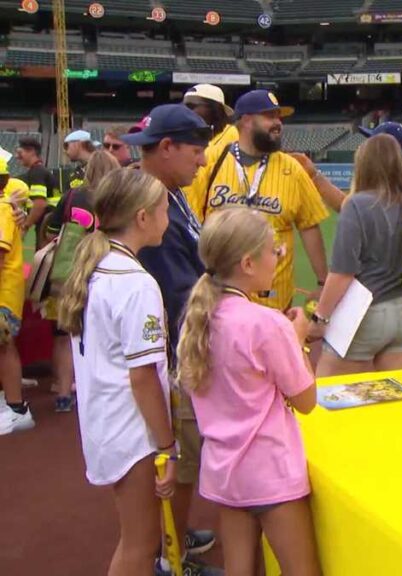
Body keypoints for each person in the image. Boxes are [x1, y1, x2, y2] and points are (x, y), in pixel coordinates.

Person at [177, 208, 321, 576]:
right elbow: (306, 400)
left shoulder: (199, 319)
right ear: (247, 263)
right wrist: (298, 341)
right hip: (270, 472)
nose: (279, 257)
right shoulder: (266, 323)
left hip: (225, 473)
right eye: (274, 250)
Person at [55, 168, 177, 575]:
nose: (168, 218)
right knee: (141, 545)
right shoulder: (136, 283)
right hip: (132, 430)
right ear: (142, 217)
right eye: (164, 209)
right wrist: (167, 445)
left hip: (106, 421)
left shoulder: (96, 265)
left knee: (136, 540)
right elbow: (143, 376)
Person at [119, 104, 222, 576]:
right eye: (196, 150)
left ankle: (173, 537)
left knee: (185, 461)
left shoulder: (171, 194)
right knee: (179, 462)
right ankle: (170, 557)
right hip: (174, 353)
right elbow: (179, 294)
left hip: (179, 347)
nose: (203, 160)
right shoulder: (151, 204)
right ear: (166, 147)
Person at [188, 90, 329, 312]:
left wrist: (322, 282)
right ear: (246, 120)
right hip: (220, 299)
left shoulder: (292, 168)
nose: (278, 123)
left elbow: (309, 226)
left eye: (279, 117)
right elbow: (192, 224)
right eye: (270, 116)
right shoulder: (211, 161)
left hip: (274, 300)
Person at [312, 134, 402, 376]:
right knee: (394, 397)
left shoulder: (357, 204)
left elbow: (343, 272)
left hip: (364, 313)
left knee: (329, 393)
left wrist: (320, 317)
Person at [41, 150, 121, 413]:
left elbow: (51, 232)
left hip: (70, 273)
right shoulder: (119, 198)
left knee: (64, 335)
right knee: (106, 336)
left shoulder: (72, 196)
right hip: (107, 271)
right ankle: (101, 395)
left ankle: (63, 394)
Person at [0, 176, 30, 435]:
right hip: (6, 292)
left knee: (4, 346)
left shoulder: (2, 209)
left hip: (3, 294)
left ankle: (16, 408)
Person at [15, 137, 60, 248]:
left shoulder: (37, 172)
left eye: (20, 153)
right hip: (51, 223)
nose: (17, 157)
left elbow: (40, 204)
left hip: (46, 223)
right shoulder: (41, 171)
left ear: (31, 151)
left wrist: (25, 226)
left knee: (42, 256)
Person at [182, 83, 238, 151]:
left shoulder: (233, 134)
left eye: (191, 106)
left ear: (214, 108)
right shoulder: (185, 135)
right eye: (183, 107)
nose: (185, 111)